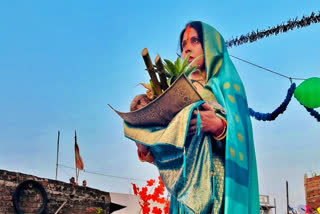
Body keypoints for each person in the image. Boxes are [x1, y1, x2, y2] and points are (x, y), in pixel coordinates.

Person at [126, 21, 260, 214]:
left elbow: (242, 142)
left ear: (210, 48)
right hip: (183, 192)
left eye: (195, 41)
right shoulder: (172, 92)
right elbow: (171, 151)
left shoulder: (227, 87)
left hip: (215, 186)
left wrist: (219, 126)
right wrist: (147, 144)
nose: (187, 48)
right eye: (183, 44)